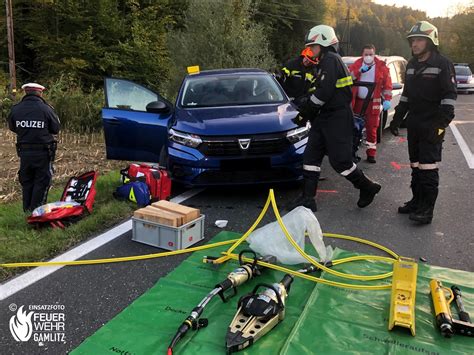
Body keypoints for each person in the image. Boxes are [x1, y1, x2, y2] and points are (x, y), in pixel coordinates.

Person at [287, 25, 381, 212]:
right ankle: (308, 198)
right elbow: (317, 90)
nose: (310, 50)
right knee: (311, 157)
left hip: (337, 118)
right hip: (324, 118)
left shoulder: (331, 60)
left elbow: (324, 93)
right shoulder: (322, 63)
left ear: (324, 44)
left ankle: (367, 187)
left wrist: (305, 112)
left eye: (313, 46)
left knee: (341, 162)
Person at [389, 21, 456, 224]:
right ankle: (417, 201)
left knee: (428, 168)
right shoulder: (411, 65)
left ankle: (427, 210)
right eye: (412, 41)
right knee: (416, 166)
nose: (414, 44)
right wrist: (397, 118)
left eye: (419, 40)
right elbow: (407, 96)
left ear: (430, 41)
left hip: (432, 124)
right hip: (415, 124)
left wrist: (440, 124)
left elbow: (449, 97)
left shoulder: (442, 64)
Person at [7, 83, 61, 212]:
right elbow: (55, 129)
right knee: (42, 182)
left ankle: (26, 212)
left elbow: (12, 127)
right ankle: (38, 214)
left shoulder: (16, 109)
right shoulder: (46, 109)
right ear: (40, 93)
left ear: (25, 92)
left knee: (27, 182)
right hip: (43, 152)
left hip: (24, 152)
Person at [349, 44, 392, 163]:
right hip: (357, 102)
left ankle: (371, 153)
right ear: (362, 55)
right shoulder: (357, 65)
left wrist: (387, 99)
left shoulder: (381, 67)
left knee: (372, 129)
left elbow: (387, 85)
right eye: (366, 54)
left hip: (373, 103)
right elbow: (348, 79)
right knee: (354, 128)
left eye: (371, 54)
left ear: (374, 54)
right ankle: (352, 152)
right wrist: (358, 71)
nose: (368, 56)